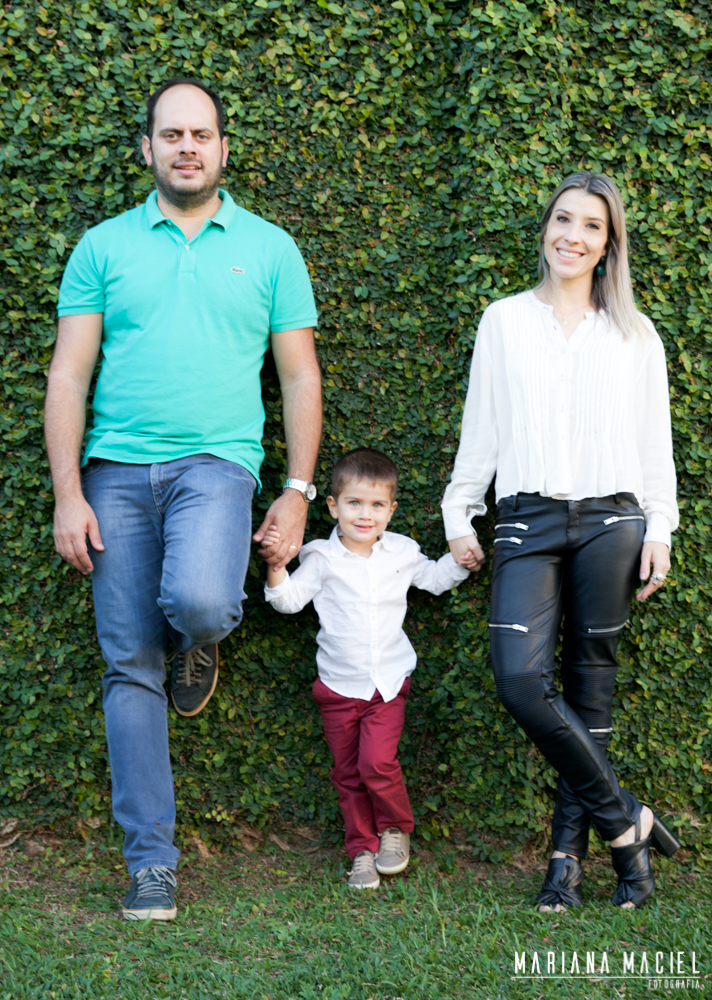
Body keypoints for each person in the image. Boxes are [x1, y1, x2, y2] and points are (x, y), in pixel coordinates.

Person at [44, 78, 322, 920]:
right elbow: (69, 375)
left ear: (223, 149)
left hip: (217, 466)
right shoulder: (103, 247)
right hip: (115, 474)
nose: (188, 147)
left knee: (202, 600)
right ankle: (151, 864)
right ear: (148, 149)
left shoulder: (270, 249)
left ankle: (198, 641)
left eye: (201, 134)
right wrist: (67, 494)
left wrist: (298, 491)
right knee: (129, 664)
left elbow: (298, 375)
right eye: (172, 135)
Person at [442, 172, 680, 911]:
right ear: (545, 227)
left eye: (592, 227)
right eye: (563, 219)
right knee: (520, 680)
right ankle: (627, 822)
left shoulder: (635, 334)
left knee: (590, 691)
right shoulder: (504, 320)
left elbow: (654, 444)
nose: (573, 236)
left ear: (609, 247)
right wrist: (458, 510)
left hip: (614, 520)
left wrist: (661, 527)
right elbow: (482, 424)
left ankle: (567, 866)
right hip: (527, 518)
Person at [264, 448, 469, 888]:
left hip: (387, 685)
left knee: (377, 763)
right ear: (333, 506)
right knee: (347, 774)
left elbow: (435, 579)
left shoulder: (402, 552)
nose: (365, 514)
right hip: (338, 687)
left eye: (377, 505)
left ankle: (395, 829)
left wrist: (462, 559)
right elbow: (288, 602)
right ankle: (361, 849)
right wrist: (277, 567)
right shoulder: (320, 557)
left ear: (391, 510)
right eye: (354, 503)